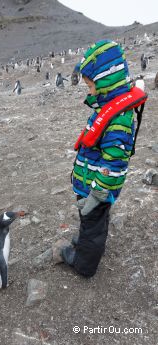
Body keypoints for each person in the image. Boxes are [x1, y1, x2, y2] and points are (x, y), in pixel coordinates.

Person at [61, 40, 147, 277]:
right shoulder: (109, 109)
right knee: (93, 222)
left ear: (105, 82)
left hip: (96, 188)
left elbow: (115, 162)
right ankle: (90, 240)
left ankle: (83, 265)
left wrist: (98, 194)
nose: (89, 91)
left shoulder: (118, 120)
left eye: (90, 86)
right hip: (91, 183)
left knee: (94, 221)